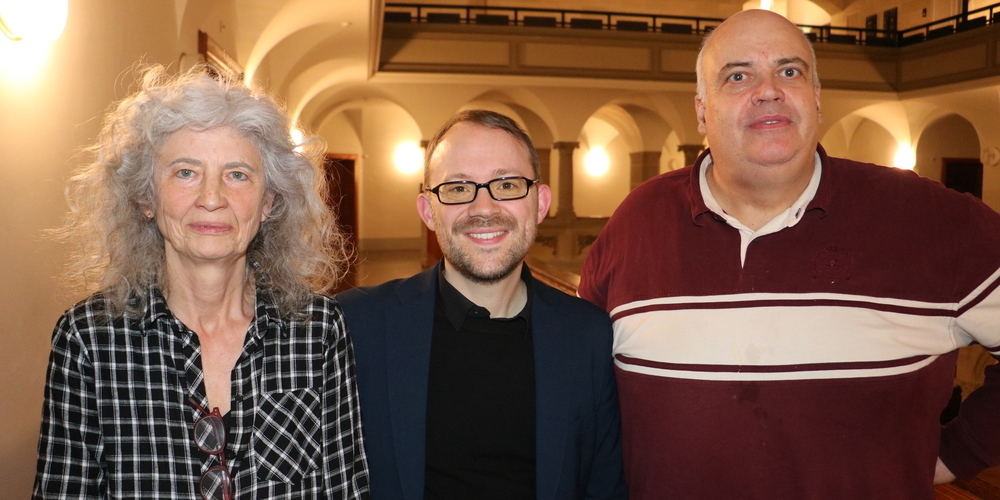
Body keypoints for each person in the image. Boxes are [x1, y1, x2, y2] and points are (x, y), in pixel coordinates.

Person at [578, 9, 1000, 500]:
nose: (768, 89)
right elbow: (584, 388)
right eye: (738, 75)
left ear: (816, 99)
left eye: (790, 71)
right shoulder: (636, 223)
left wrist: (955, 454)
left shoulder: (932, 219)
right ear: (701, 111)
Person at [34, 65, 370, 499]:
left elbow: (344, 490)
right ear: (145, 198)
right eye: (185, 173)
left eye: (237, 175)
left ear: (268, 202)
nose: (212, 198)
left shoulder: (318, 329)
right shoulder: (88, 339)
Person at [337, 110, 627, 499]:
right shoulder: (357, 325)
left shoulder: (588, 335)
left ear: (540, 204)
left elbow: (604, 487)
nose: (484, 208)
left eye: (506, 184)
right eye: (458, 189)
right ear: (428, 211)